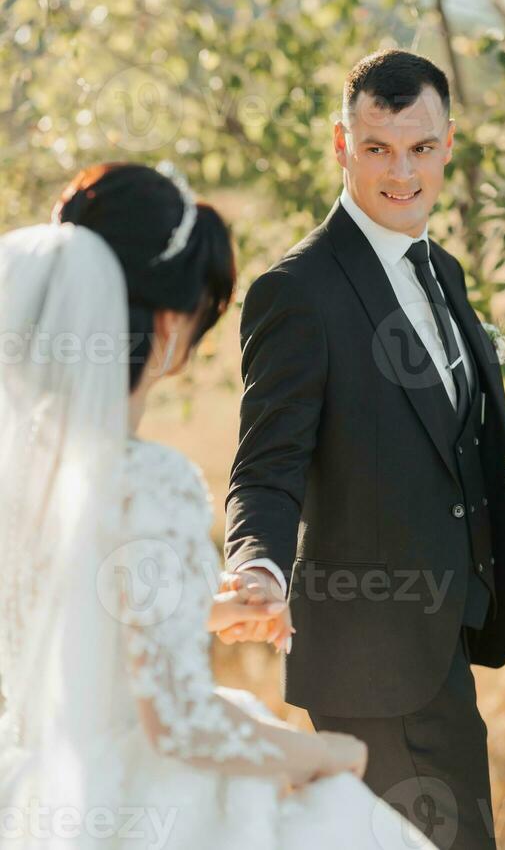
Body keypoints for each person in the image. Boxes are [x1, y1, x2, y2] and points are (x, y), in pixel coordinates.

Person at [222, 49, 505, 848]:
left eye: (420, 147)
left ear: (449, 146)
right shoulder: (298, 292)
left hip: (438, 649)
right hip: (369, 665)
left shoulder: (442, 269)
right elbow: (265, 467)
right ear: (342, 146)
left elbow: (445, 448)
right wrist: (257, 566)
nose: (400, 171)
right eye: (376, 148)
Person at [0, 162, 436, 850]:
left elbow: (73, 606)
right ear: (173, 323)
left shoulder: (23, 467)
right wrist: (327, 757)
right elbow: (177, 724)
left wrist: (202, 606)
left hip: (33, 790)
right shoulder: (149, 477)